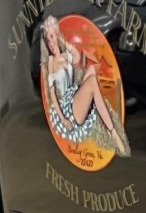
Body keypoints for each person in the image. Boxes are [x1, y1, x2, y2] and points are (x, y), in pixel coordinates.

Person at [41, 15, 132, 158]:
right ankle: (112, 131)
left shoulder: (66, 55)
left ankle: (109, 123)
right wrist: (63, 119)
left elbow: (76, 57)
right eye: (48, 39)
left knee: (92, 70)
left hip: (73, 95)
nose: (50, 42)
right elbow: (52, 94)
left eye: (52, 37)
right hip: (67, 108)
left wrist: (62, 40)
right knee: (92, 82)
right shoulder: (52, 60)